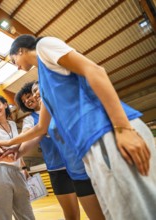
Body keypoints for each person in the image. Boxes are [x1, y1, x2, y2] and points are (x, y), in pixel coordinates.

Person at [0, 35, 156, 219]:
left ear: (20, 50)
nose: (16, 66)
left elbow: (95, 70)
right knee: (121, 214)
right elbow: (40, 128)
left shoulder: (44, 47)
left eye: (14, 60)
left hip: (106, 132)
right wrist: (11, 146)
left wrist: (123, 128)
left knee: (141, 211)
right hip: (89, 147)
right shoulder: (44, 85)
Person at [15, 81, 104, 220]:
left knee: (97, 211)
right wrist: (14, 149)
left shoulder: (58, 106)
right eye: (24, 101)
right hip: (57, 169)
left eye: (29, 96)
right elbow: (26, 135)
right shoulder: (30, 119)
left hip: (80, 164)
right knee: (71, 215)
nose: (27, 100)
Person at [0, 95, 35, 220]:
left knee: (26, 213)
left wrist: (23, 167)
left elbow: (18, 147)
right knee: (3, 216)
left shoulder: (12, 124)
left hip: (17, 171)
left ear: (5, 105)